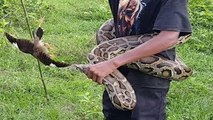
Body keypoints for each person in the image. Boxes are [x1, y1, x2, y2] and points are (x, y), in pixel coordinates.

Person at [85, 0, 192, 120]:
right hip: (118, 72)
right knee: (113, 114)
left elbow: (169, 37)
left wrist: (112, 63)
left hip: (149, 78)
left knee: (144, 116)